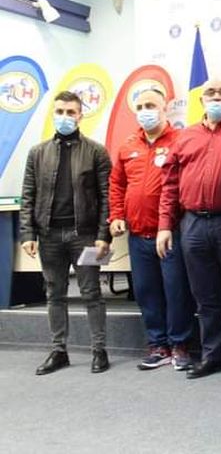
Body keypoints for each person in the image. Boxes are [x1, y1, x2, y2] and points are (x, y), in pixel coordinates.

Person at [157, 78, 221, 380]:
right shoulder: (185, 136)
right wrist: (165, 226)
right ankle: (212, 356)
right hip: (192, 224)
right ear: (201, 100)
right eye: (210, 93)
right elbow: (169, 185)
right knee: (204, 295)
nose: (216, 97)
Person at [20, 90, 112, 375]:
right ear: (53, 113)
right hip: (48, 236)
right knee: (54, 294)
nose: (65, 117)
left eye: (71, 112)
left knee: (92, 293)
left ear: (80, 115)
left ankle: (99, 350)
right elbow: (28, 196)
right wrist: (27, 234)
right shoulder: (37, 153)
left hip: (85, 236)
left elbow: (107, 197)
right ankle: (59, 351)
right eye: (60, 111)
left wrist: (104, 235)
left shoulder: (96, 151)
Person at [109, 88, 194, 371]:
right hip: (137, 235)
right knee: (147, 292)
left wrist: (169, 224)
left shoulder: (180, 141)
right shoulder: (127, 146)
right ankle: (158, 346)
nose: (145, 111)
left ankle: (180, 345)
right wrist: (116, 215)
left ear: (165, 108)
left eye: (151, 105)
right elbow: (117, 184)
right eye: (141, 106)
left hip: (170, 233)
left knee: (176, 291)